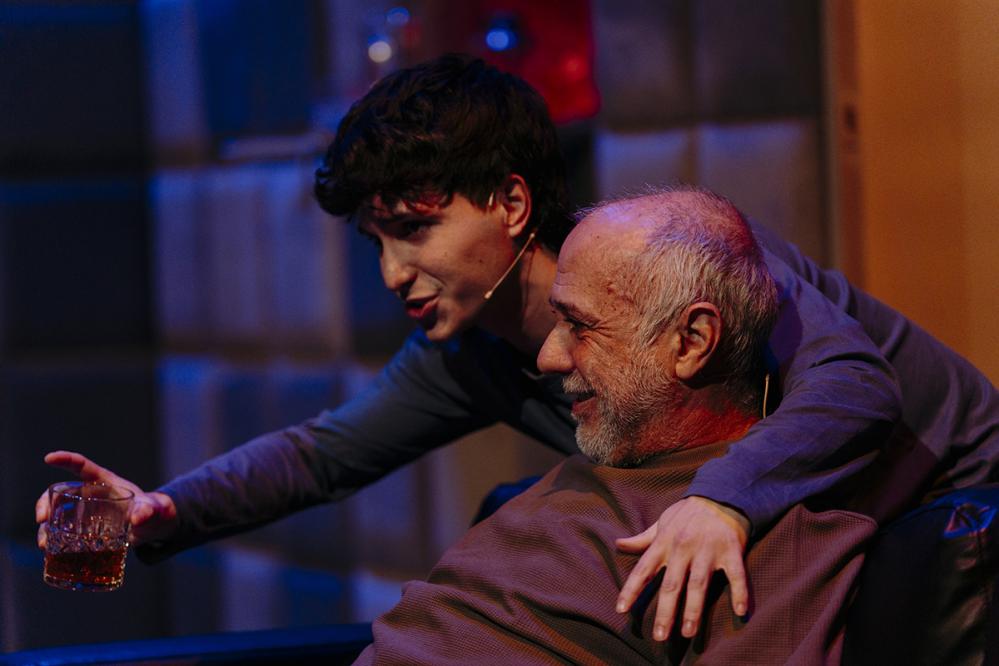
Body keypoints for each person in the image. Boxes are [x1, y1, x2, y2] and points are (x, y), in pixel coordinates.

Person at [34, 54, 997, 640]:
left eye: (414, 229)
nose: (393, 273)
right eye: (375, 242)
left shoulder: (666, 255)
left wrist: (723, 500)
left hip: (949, 501)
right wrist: (164, 509)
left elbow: (856, 385)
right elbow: (323, 454)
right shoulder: (470, 353)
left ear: (509, 202)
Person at [354, 188, 877, 664]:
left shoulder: (764, 540)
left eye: (579, 326)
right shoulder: (586, 468)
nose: (548, 357)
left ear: (691, 342)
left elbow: (860, 382)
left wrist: (728, 503)